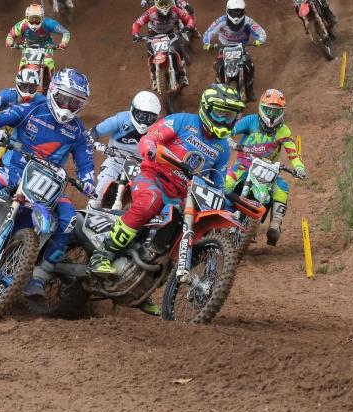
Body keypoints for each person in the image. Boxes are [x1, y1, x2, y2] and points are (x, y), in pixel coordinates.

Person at [0, 68, 96, 301]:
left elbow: (85, 163)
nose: (68, 107)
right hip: (14, 171)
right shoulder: (31, 109)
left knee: (69, 220)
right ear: (53, 92)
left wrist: (88, 181)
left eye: (75, 103)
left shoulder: (77, 131)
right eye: (64, 99)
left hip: (49, 186)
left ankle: (39, 275)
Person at [88, 84, 245, 279]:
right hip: (152, 177)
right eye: (220, 114)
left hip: (182, 195)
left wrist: (227, 201)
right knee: (151, 200)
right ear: (206, 108)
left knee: (188, 225)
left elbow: (217, 182)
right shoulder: (182, 121)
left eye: (229, 116)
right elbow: (151, 136)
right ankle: (102, 254)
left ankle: (150, 279)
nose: (223, 120)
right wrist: (150, 149)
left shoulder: (223, 148)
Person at [226, 89, 306, 245]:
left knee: (282, 187)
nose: (272, 114)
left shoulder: (284, 130)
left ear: (282, 112)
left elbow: (293, 153)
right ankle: (219, 212)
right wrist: (228, 139)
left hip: (268, 170)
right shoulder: (250, 121)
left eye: (276, 111)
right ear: (261, 107)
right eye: (268, 109)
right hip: (244, 165)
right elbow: (229, 129)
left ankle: (275, 225)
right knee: (227, 180)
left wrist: (299, 168)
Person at [89, 91, 162, 206]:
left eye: (150, 117)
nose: (145, 121)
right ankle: (91, 210)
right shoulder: (121, 119)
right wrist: (95, 143)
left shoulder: (159, 129)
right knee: (97, 196)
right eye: (142, 115)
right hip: (116, 161)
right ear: (133, 110)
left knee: (149, 200)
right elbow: (95, 132)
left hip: (142, 168)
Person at [201, 0, 267, 100]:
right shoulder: (221, 21)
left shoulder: (248, 21)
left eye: (239, 12)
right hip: (224, 47)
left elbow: (261, 32)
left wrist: (260, 40)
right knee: (218, 66)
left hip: (241, 47)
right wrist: (207, 43)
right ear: (228, 11)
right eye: (233, 12)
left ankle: (249, 90)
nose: (236, 15)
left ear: (244, 11)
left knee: (249, 66)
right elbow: (209, 32)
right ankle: (218, 89)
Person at [0, 67, 43, 169]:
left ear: (37, 88)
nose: (27, 92)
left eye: (31, 88)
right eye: (24, 87)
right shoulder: (7, 95)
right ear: (17, 85)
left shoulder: (41, 100)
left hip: (26, 131)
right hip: (4, 130)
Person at [132, 0, 195, 89]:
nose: (165, 6)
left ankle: (182, 73)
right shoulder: (151, 12)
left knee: (178, 48)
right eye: (162, 3)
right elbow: (137, 23)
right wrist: (135, 34)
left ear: (172, 2)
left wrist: (189, 26)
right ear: (157, 4)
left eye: (167, 3)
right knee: (151, 52)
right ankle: (153, 76)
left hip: (169, 33)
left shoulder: (175, 10)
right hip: (153, 34)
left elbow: (189, 18)